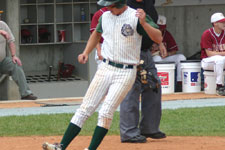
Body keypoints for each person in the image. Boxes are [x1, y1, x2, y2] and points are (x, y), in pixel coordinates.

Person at [42, 0, 162, 149]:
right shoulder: (105, 16)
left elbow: (158, 37)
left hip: (125, 71)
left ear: (119, 4)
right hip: (105, 67)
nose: (107, 8)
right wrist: (86, 52)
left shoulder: (136, 16)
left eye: (110, 5)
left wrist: (144, 23)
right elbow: (96, 35)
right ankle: (61, 146)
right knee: (85, 108)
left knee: (106, 111)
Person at [119, 0, 166, 143]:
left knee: (153, 86)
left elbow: (152, 26)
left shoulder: (149, 2)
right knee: (131, 90)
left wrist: (159, 43)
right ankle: (129, 132)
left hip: (146, 52)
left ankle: (149, 128)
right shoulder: (126, 4)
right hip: (129, 52)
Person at [0, 21, 37, 100]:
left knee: (15, 64)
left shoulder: (3, 25)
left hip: (2, 61)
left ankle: (26, 94)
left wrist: (14, 56)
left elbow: (10, 41)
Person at [151, 15, 186, 88]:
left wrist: (168, 54)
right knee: (157, 58)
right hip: (153, 59)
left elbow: (174, 50)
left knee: (181, 57)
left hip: (164, 58)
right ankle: (158, 84)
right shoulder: (149, 32)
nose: (160, 29)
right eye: (158, 27)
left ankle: (179, 83)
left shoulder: (166, 34)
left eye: (162, 28)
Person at [200, 12, 225, 96]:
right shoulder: (207, 34)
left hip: (220, 59)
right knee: (219, 59)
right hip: (207, 61)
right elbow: (209, 53)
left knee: (220, 59)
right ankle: (219, 86)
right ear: (215, 23)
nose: (224, 23)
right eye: (222, 22)